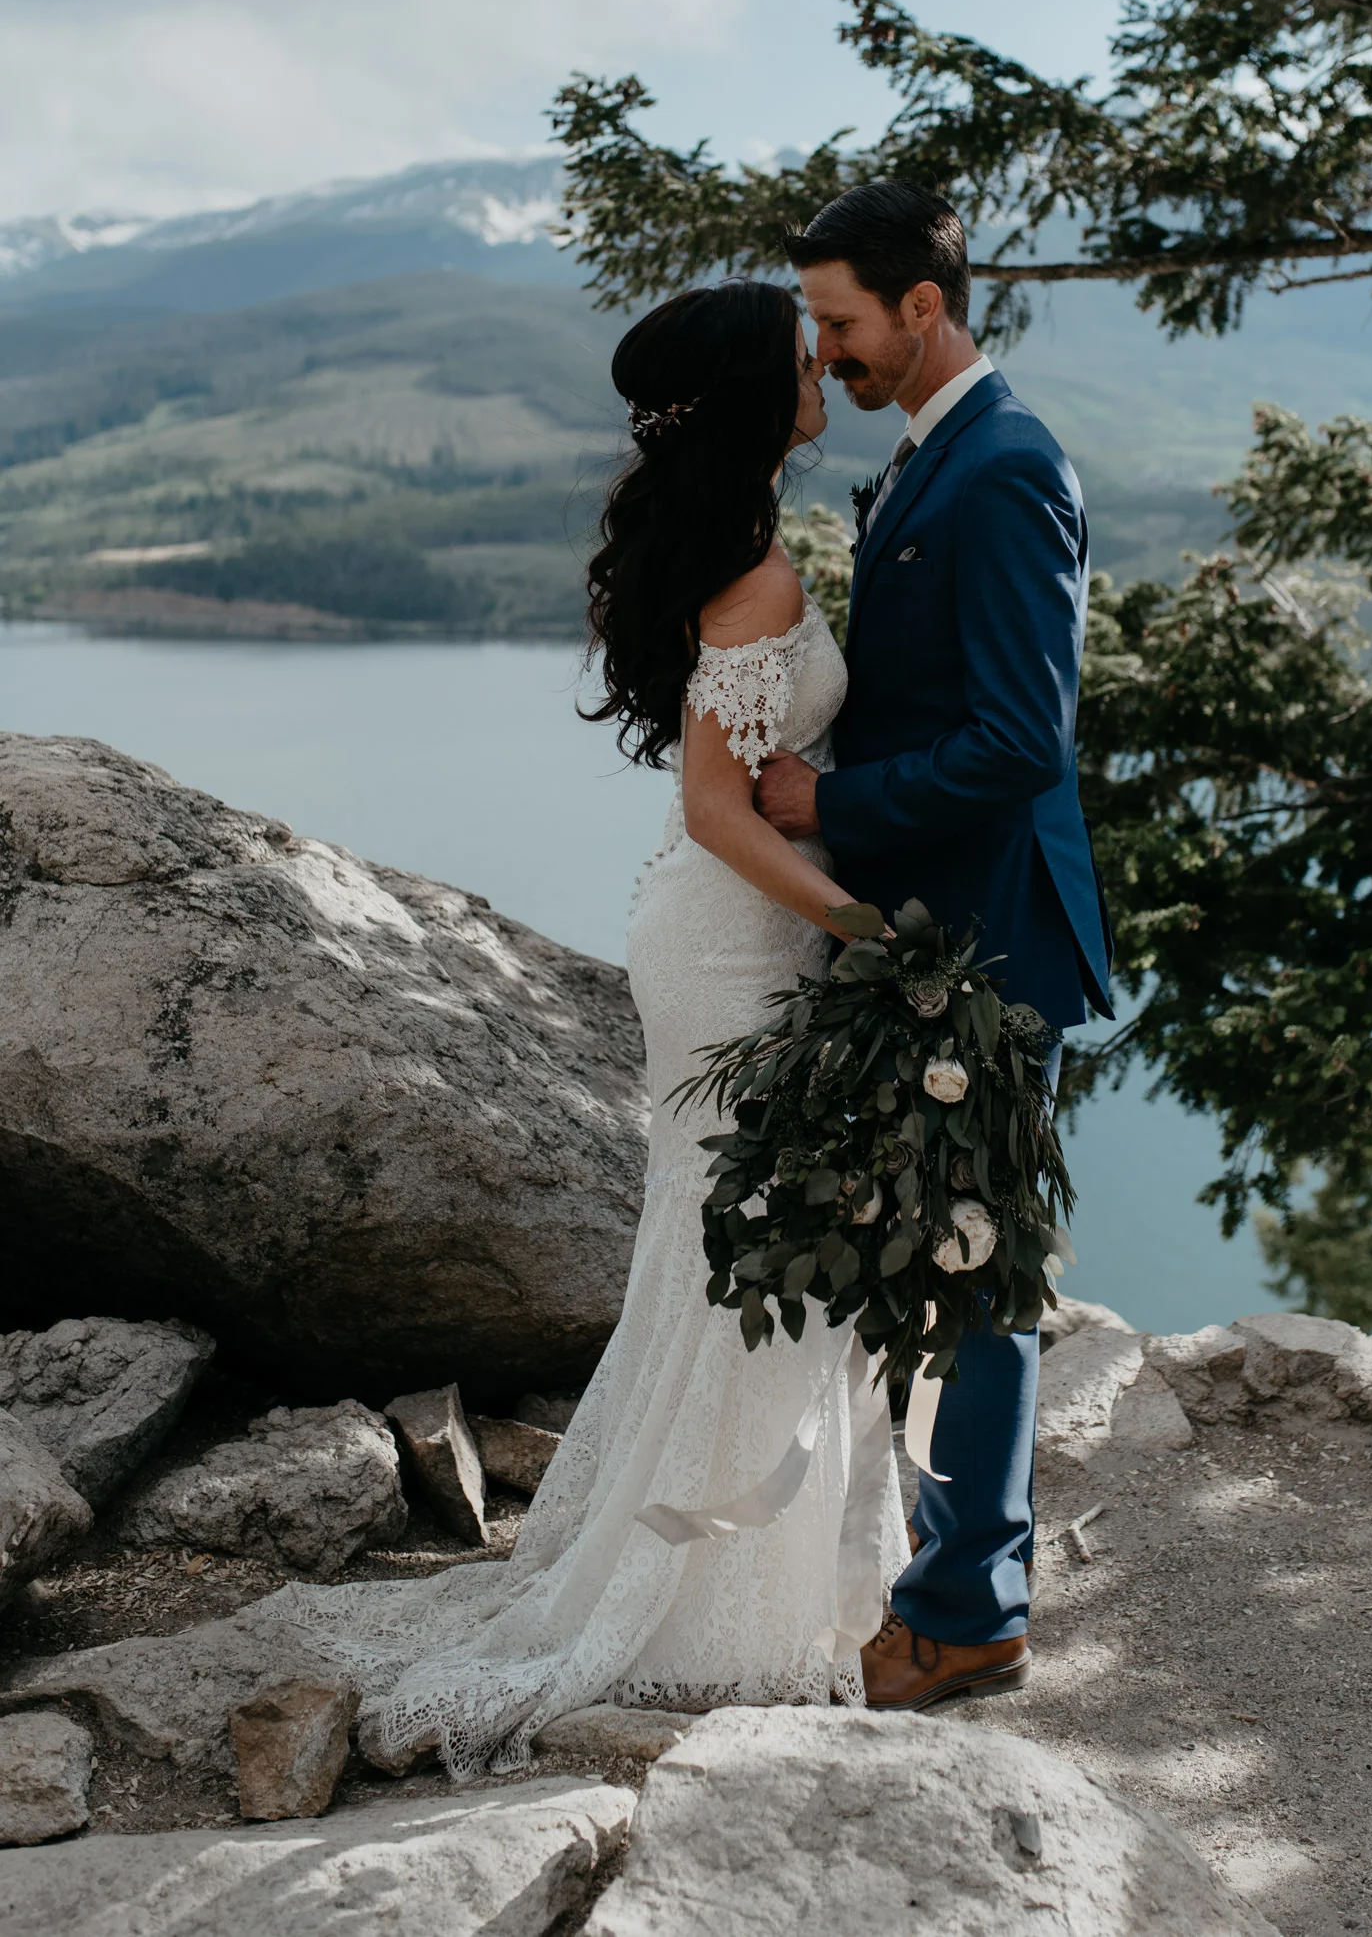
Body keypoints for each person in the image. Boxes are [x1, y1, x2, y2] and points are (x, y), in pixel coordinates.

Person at [277, 280, 906, 1776]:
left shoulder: (739, 538)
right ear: (757, 394)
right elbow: (714, 805)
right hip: (735, 936)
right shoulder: (747, 567)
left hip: (730, 921)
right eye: (797, 356)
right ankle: (694, 1603)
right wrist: (868, 932)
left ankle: (755, 1569)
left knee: (732, 1232)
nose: (821, 369)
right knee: (745, 1234)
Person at [757, 180, 1113, 1711]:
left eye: (840, 324)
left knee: (980, 1275)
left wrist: (829, 802)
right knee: (949, 1265)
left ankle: (968, 1615)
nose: (823, 355)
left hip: (984, 940)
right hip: (925, 930)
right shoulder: (929, 456)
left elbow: (1019, 744)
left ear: (923, 306)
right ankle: (944, 1574)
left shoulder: (1004, 468)